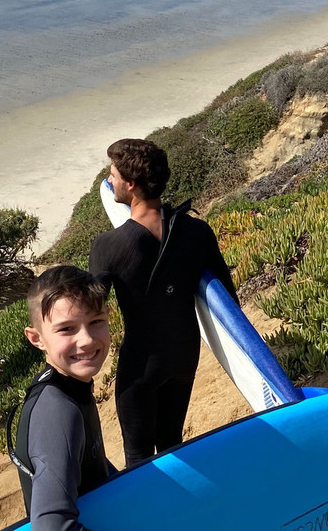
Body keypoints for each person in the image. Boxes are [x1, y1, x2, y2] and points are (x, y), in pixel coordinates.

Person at [12, 265, 177, 531]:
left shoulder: (70, 389)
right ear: (36, 338)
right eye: (67, 329)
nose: (86, 339)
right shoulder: (58, 411)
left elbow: (91, 465)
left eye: (96, 322)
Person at [89, 138, 236, 467]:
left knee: (138, 458)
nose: (109, 180)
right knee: (172, 443)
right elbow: (228, 299)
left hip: (141, 363)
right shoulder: (197, 231)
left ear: (130, 184)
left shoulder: (108, 245)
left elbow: (91, 311)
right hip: (184, 355)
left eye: (113, 175)